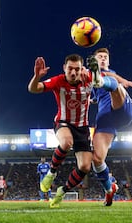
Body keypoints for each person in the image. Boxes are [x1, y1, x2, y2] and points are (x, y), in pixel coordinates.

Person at [28, 54, 119, 208]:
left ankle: (61, 192)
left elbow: (105, 82)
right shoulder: (58, 81)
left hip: (82, 129)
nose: (73, 72)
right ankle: (51, 173)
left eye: (77, 69)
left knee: (85, 167)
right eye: (70, 69)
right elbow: (33, 89)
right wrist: (36, 76)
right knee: (66, 142)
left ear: (81, 69)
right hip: (63, 123)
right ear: (65, 68)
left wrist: (96, 74)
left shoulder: (89, 78)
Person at [87, 47, 132, 206]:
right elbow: (93, 96)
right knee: (96, 159)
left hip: (123, 107)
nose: (103, 59)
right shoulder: (89, 81)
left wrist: (121, 80)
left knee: (113, 84)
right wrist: (90, 100)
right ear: (94, 61)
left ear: (108, 61)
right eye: (99, 57)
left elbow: (111, 76)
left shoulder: (110, 73)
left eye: (105, 57)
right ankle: (109, 189)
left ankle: (102, 80)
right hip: (106, 116)